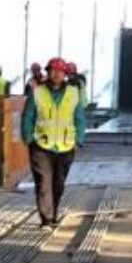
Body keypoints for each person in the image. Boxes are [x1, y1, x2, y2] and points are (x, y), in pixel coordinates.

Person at [26, 57, 82, 226]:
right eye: (53, 70)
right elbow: (29, 116)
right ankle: (47, 218)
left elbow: (79, 118)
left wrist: (79, 140)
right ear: (48, 72)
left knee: (58, 184)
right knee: (44, 182)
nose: (56, 74)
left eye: (60, 71)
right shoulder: (37, 91)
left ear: (65, 74)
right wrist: (28, 137)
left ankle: (53, 212)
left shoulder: (73, 92)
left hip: (65, 146)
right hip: (41, 145)